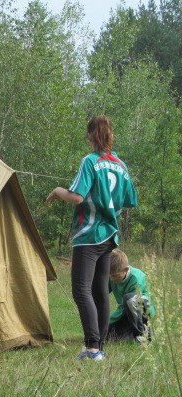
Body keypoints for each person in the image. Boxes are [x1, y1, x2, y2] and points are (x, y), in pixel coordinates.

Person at [46, 115, 138, 361]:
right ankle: (100, 346)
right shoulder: (121, 164)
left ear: (90, 136)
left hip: (89, 235)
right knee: (99, 291)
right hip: (110, 235)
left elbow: (76, 196)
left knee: (81, 290)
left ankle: (93, 348)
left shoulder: (89, 161)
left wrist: (57, 191)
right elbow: (130, 200)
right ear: (110, 135)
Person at [107, 249, 154, 344]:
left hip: (143, 310)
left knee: (129, 299)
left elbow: (126, 306)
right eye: (109, 275)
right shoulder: (112, 276)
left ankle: (143, 336)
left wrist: (109, 319)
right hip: (128, 312)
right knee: (108, 336)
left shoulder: (135, 278)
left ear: (126, 270)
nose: (111, 278)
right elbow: (101, 294)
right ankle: (130, 334)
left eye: (114, 275)